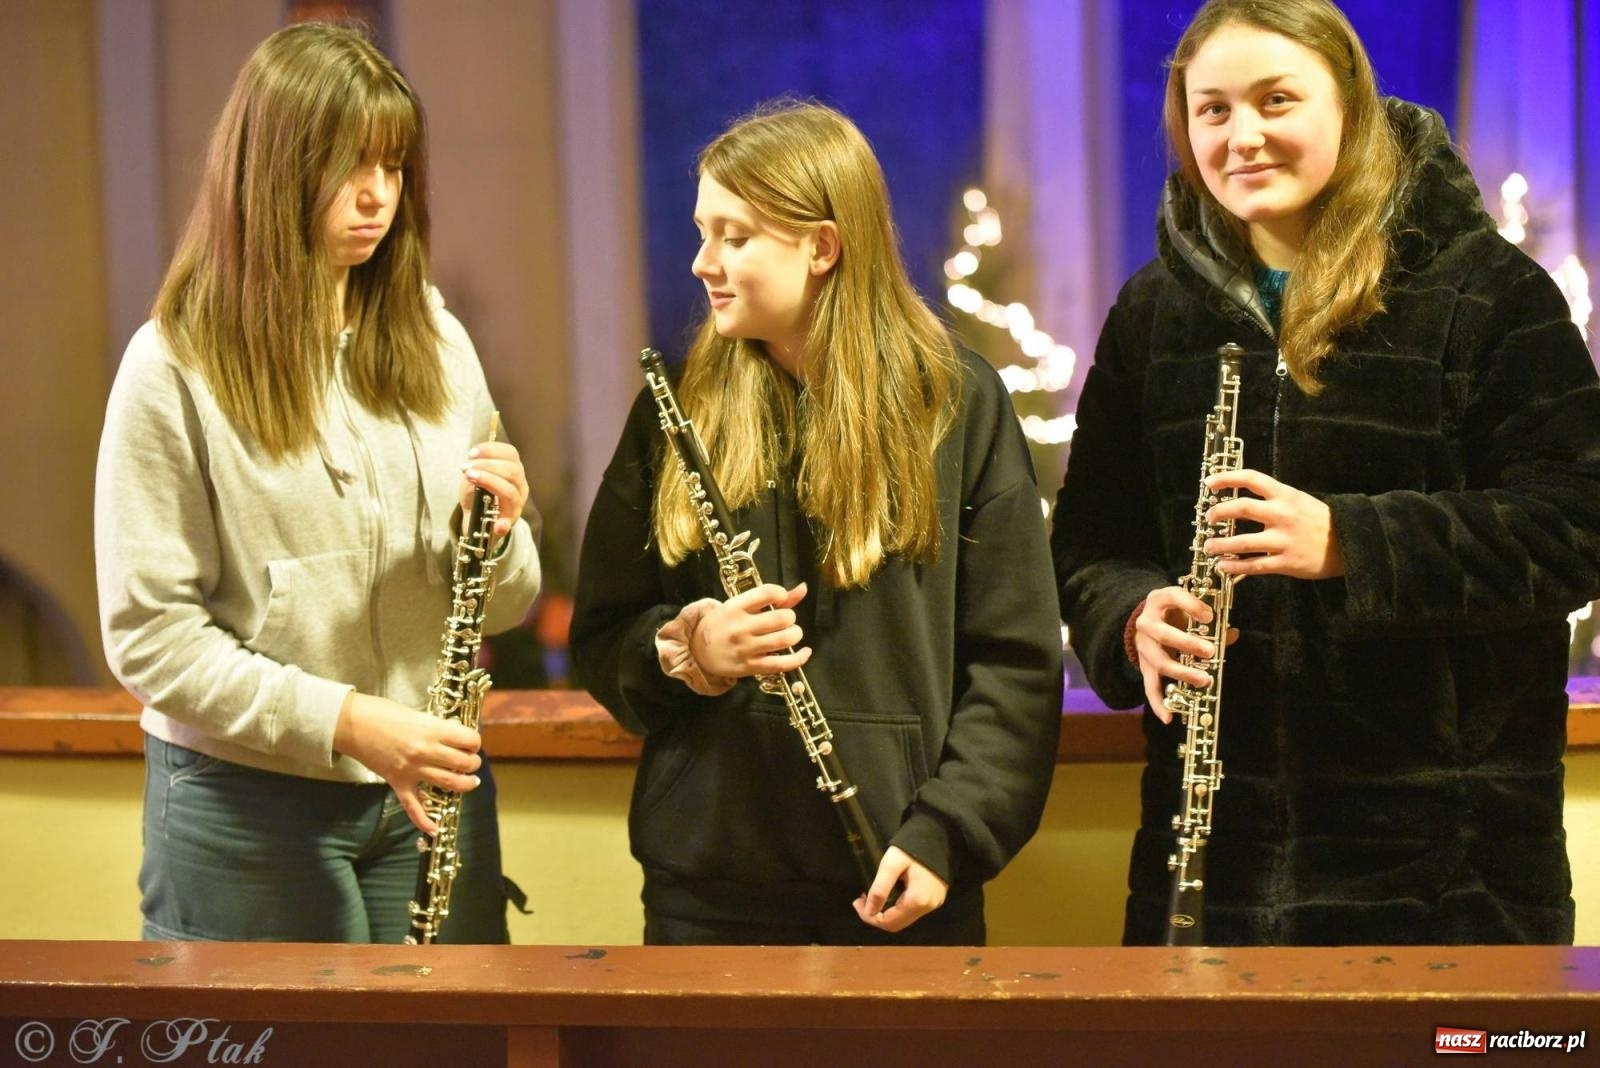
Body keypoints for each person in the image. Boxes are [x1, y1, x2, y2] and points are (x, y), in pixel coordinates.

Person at [1053, 0, 1600, 946]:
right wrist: (1133, 615)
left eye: (1276, 101)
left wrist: (1354, 542)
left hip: (1449, 881)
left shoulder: (1489, 293)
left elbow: (1577, 525)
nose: (1242, 136)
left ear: (1349, 107)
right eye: (1212, 109)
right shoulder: (1152, 314)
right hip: (1210, 878)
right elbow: (1094, 544)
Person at [571, 101, 1063, 946]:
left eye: (734, 236)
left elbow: (1016, 664)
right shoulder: (678, 407)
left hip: (905, 879)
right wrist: (692, 653)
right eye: (701, 231)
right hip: (709, 893)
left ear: (823, 246)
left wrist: (948, 833)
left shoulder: (957, 401)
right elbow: (603, 638)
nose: (701, 262)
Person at [94, 22, 541, 943]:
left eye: (394, 165)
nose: (378, 197)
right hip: (243, 801)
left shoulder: (436, 340)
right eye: (348, 166)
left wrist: (494, 536)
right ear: (272, 172)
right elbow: (149, 637)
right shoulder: (171, 366)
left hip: (428, 782)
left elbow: (507, 604)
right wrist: (345, 720)